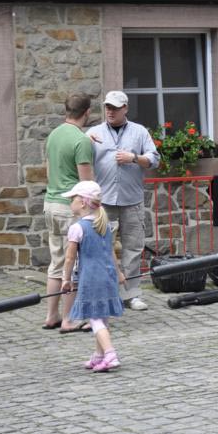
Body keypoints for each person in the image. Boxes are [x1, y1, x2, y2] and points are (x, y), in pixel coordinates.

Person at [86, 91, 160, 311]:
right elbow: (78, 156)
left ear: (125, 108)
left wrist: (134, 158)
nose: (110, 111)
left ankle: (131, 295)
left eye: (115, 108)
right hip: (103, 201)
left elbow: (155, 159)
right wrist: (84, 142)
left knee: (133, 248)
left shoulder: (139, 132)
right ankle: (107, 294)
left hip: (132, 199)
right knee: (101, 247)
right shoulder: (93, 133)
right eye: (108, 107)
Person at [59, 181, 125, 372]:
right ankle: (99, 356)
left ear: (82, 203)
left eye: (72, 199)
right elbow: (111, 252)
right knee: (102, 319)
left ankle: (110, 355)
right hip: (108, 276)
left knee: (95, 319)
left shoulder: (77, 228)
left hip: (91, 279)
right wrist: (119, 273)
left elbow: (69, 258)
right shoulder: (104, 224)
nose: (70, 203)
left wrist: (66, 280)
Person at [42, 93, 94, 332]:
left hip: (50, 204)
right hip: (69, 208)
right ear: (87, 112)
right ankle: (69, 319)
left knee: (56, 263)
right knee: (72, 266)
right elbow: (86, 185)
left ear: (67, 110)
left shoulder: (54, 135)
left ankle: (51, 316)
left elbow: (49, 171)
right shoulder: (81, 141)